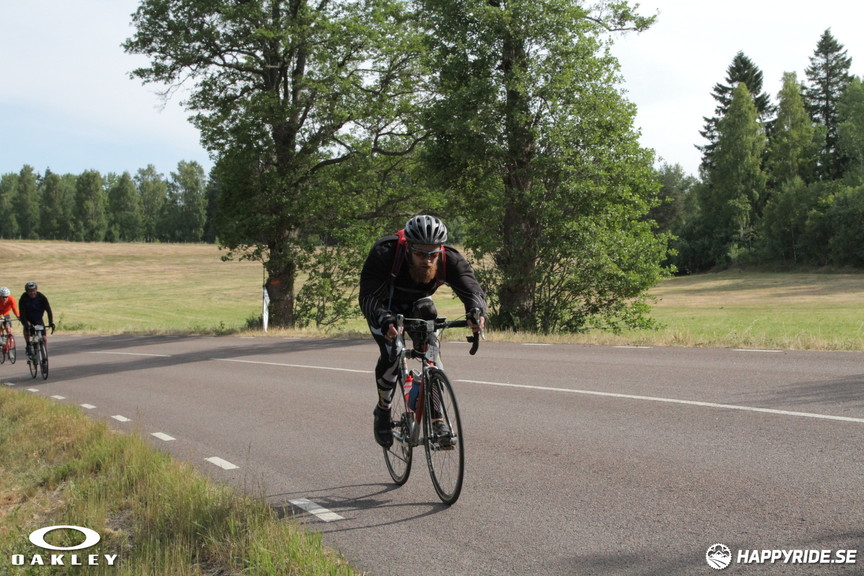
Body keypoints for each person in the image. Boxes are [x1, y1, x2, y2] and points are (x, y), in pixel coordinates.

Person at [359, 215, 486, 448]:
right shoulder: (384, 253)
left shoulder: (450, 259)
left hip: (419, 305)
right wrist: (383, 319)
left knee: (432, 352)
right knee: (392, 353)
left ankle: (436, 416)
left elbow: (472, 290)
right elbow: (367, 297)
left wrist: (476, 313)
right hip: (384, 307)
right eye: (420, 254)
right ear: (407, 247)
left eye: (433, 255)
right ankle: (383, 410)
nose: (427, 261)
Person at [19, 281, 54, 359]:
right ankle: (28, 344)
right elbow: (22, 313)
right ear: (27, 292)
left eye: (33, 291)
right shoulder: (23, 298)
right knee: (27, 328)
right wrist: (25, 324)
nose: (32, 293)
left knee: (44, 338)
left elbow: (48, 310)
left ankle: (45, 355)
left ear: (36, 290)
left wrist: (51, 322)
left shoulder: (41, 297)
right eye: (30, 291)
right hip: (27, 318)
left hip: (38, 319)